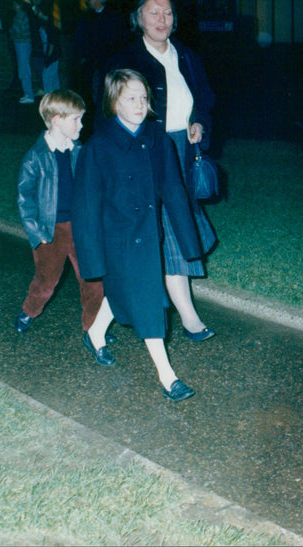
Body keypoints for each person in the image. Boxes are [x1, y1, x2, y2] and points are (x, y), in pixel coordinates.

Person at [72, 69, 201, 401]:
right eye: (131, 98)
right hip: (117, 240)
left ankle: (96, 331)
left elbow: (173, 189)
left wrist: (189, 242)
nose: (140, 104)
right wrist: (92, 259)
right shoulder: (97, 147)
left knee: (128, 293)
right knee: (147, 302)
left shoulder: (157, 138)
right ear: (114, 102)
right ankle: (168, 377)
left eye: (144, 97)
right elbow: (86, 208)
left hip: (148, 234)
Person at [108, 0, 217, 342]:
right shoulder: (126, 60)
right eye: (154, 13)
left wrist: (199, 122)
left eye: (167, 13)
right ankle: (182, 316)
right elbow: (111, 114)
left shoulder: (186, 56)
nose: (161, 20)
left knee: (174, 231)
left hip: (182, 151)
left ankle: (181, 314)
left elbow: (204, 99)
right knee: (159, 233)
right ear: (138, 17)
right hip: (145, 156)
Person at [14, 89, 107, 349]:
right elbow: (25, 198)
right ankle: (29, 310)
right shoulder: (36, 157)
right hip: (50, 231)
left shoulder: (80, 151)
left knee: (92, 280)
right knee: (46, 280)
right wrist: (37, 234)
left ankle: (93, 328)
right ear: (56, 119)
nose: (81, 124)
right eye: (75, 119)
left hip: (80, 229)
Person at [74, 0, 130, 110]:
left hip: (110, 61)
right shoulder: (86, 17)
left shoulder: (114, 16)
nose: (89, 1)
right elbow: (81, 38)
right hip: (92, 62)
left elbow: (122, 39)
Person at [10, 0, 35, 104]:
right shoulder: (20, 15)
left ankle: (29, 94)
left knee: (24, 69)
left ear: (18, 5)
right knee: (23, 68)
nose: (13, 6)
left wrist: (12, 31)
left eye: (14, 4)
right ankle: (27, 93)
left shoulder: (20, 15)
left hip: (22, 43)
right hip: (21, 43)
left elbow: (18, 30)